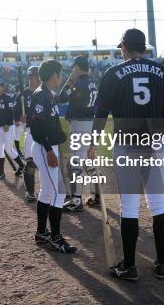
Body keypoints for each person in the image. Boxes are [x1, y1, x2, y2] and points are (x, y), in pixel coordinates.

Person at [88, 28, 164, 281]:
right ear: (145, 47)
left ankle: (129, 265)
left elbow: (101, 113)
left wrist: (92, 143)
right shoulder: (162, 72)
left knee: (130, 207)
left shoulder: (113, 73)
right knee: (158, 204)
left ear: (124, 46)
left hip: (127, 144)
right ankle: (161, 263)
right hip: (155, 142)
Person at [30, 60, 77, 254]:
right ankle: (56, 238)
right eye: (59, 74)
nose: (61, 77)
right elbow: (36, 127)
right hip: (44, 147)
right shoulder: (41, 95)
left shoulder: (47, 94)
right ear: (53, 75)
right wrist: (49, 150)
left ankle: (42, 233)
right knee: (58, 192)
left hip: (48, 146)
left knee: (48, 192)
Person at [57, 55, 98, 212]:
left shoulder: (78, 83)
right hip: (90, 123)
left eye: (74, 67)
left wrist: (70, 80)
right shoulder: (92, 82)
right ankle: (97, 195)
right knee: (88, 162)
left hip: (79, 124)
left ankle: (76, 201)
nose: (72, 70)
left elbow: (61, 98)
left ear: (78, 67)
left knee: (75, 163)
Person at [15, 66, 41, 202]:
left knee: (49, 162)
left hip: (44, 131)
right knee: (30, 162)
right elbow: (16, 111)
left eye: (34, 75)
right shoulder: (24, 94)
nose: (31, 78)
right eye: (29, 76)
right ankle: (30, 192)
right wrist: (20, 118)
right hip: (31, 131)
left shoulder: (44, 91)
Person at [0, 78, 25, 180]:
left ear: (3, 87)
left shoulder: (8, 98)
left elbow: (12, 112)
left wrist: (7, 123)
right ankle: (1, 173)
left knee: (9, 149)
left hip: (8, 127)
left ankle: (22, 165)